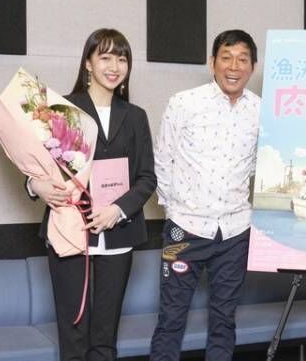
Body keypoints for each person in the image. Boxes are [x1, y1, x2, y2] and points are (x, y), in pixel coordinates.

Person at [27, 28, 157, 360]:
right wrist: (35, 186)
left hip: (119, 233)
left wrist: (118, 210)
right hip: (70, 230)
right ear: (88, 62)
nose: (114, 66)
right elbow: (37, 168)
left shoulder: (136, 116)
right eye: (105, 57)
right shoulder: (60, 109)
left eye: (122, 58)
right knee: (73, 334)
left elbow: (146, 177)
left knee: (105, 336)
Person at [150, 29, 260, 361]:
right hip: (185, 228)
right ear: (213, 63)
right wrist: (175, 211)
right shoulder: (184, 103)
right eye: (226, 58)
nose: (234, 66)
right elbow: (162, 160)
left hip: (235, 231)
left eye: (242, 59)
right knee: (171, 318)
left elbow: (258, 166)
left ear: (252, 67)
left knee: (224, 319)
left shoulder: (261, 111)